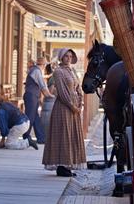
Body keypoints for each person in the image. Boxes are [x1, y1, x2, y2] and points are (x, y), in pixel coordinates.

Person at [42, 49, 86, 177]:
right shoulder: (58, 72)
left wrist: (80, 103)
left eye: (70, 56)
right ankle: (61, 166)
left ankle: (68, 165)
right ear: (61, 57)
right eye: (66, 56)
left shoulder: (72, 71)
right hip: (63, 108)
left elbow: (78, 88)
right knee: (63, 135)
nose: (68, 58)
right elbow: (62, 93)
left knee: (71, 135)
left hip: (74, 109)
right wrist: (73, 106)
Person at [23, 57, 54, 145]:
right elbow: (43, 86)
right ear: (43, 65)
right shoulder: (36, 71)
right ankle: (26, 137)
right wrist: (50, 96)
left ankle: (41, 137)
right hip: (31, 96)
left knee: (36, 118)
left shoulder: (35, 70)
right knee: (30, 117)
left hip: (33, 96)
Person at [41, 63, 57, 134]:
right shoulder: (49, 77)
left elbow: (51, 90)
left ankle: (46, 136)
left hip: (50, 101)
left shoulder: (52, 78)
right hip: (49, 101)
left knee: (47, 120)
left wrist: (49, 95)